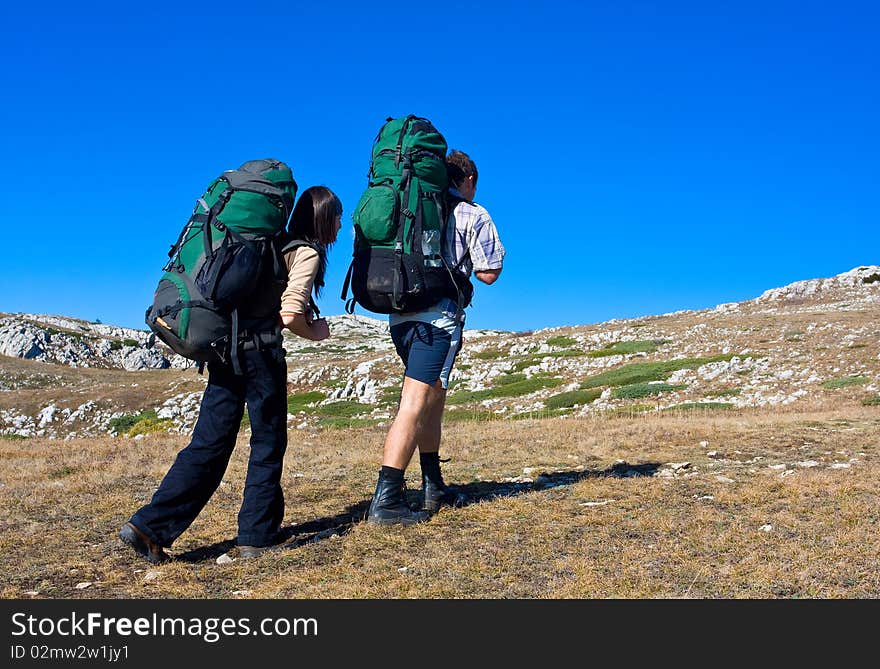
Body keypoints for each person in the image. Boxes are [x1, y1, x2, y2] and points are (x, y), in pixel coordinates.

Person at [119, 186, 342, 562]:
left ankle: (148, 527)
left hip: (226, 354)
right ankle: (257, 535)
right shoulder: (304, 252)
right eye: (336, 216)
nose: (340, 224)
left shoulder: (267, 243)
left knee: (209, 443)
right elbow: (290, 314)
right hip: (261, 358)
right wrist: (316, 331)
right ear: (322, 218)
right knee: (268, 444)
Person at [366, 150, 505, 525]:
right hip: (438, 319)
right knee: (414, 402)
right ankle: (386, 500)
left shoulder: (406, 212)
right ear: (469, 179)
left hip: (399, 316)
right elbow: (489, 272)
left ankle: (433, 485)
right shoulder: (471, 213)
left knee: (432, 399)